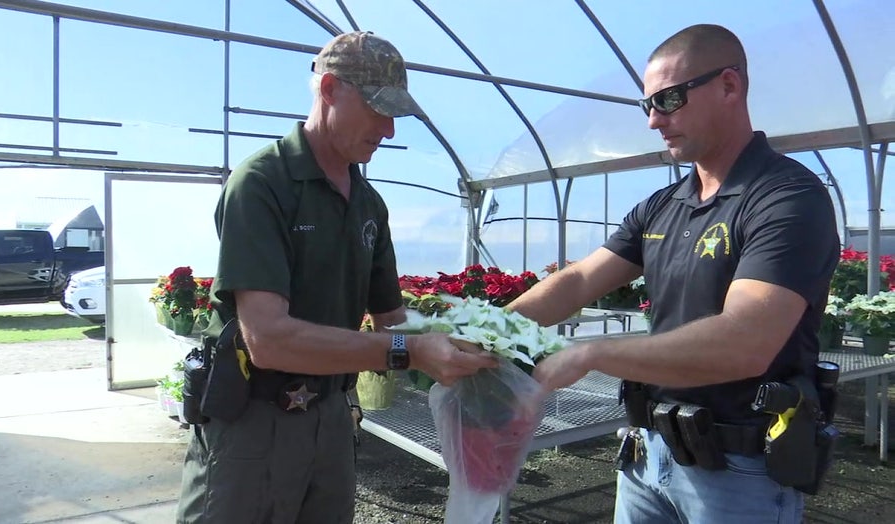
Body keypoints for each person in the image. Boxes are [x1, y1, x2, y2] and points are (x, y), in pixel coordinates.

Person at [509, 24, 839, 523]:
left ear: (730, 86)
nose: (653, 120)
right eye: (648, 105)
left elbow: (744, 342)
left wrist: (592, 353)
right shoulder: (663, 206)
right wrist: (489, 330)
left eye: (669, 99)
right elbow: (578, 281)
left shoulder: (786, 197)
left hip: (738, 472)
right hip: (646, 456)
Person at [175, 31, 496, 524]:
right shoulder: (263, 184)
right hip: (253, 420)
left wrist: (463, 341)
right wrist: (407, 352)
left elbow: (391, 317)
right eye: (377, 109)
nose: (388, 130)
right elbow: (269, 341)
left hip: (329, 414)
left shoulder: (368, 203)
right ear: (328, 90)